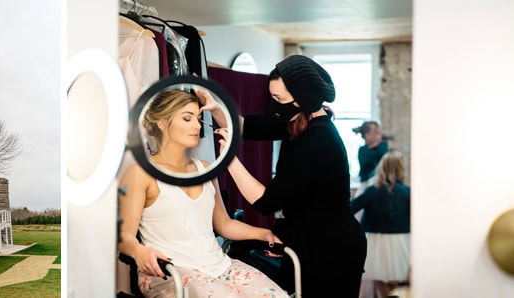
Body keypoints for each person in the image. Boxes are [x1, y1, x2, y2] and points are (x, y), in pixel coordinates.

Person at [207, 54, 367, 297]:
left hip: (331, 247)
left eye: (279, 99)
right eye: (272, 97)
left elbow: (266, 201)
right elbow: (243, 126)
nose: (274, 105)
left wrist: (229, 158)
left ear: (302, 99)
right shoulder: (296, 119)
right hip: (307, 240)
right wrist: (215, 105)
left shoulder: (318, 140)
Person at [118, 89, 290, 298]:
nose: (197, 126)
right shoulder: (141, 173)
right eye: (187, 118)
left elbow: (224, 224)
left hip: (220, 266)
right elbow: (124, 235)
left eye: (198, 119)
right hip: (170, 273)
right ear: (162, 123)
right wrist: (139, 252)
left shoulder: (206, 169)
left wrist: (263, 234)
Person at [351, 151, 411, 298]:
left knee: (380, 276)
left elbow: (351, 208)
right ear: (400, 168)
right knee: (394, 277)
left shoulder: (372, 191)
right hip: (401, 239)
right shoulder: (407, 192)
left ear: (382, 167)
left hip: (376, 239)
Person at [353, 121, 389, 197]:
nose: (380, 136)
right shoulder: (362, 150)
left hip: (382, 184)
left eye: (380, 133)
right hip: (366, 184)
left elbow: (383, 154)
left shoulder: (383, 146)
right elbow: (367, 162)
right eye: (377, 133)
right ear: (367, 135)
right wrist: (376, 146)